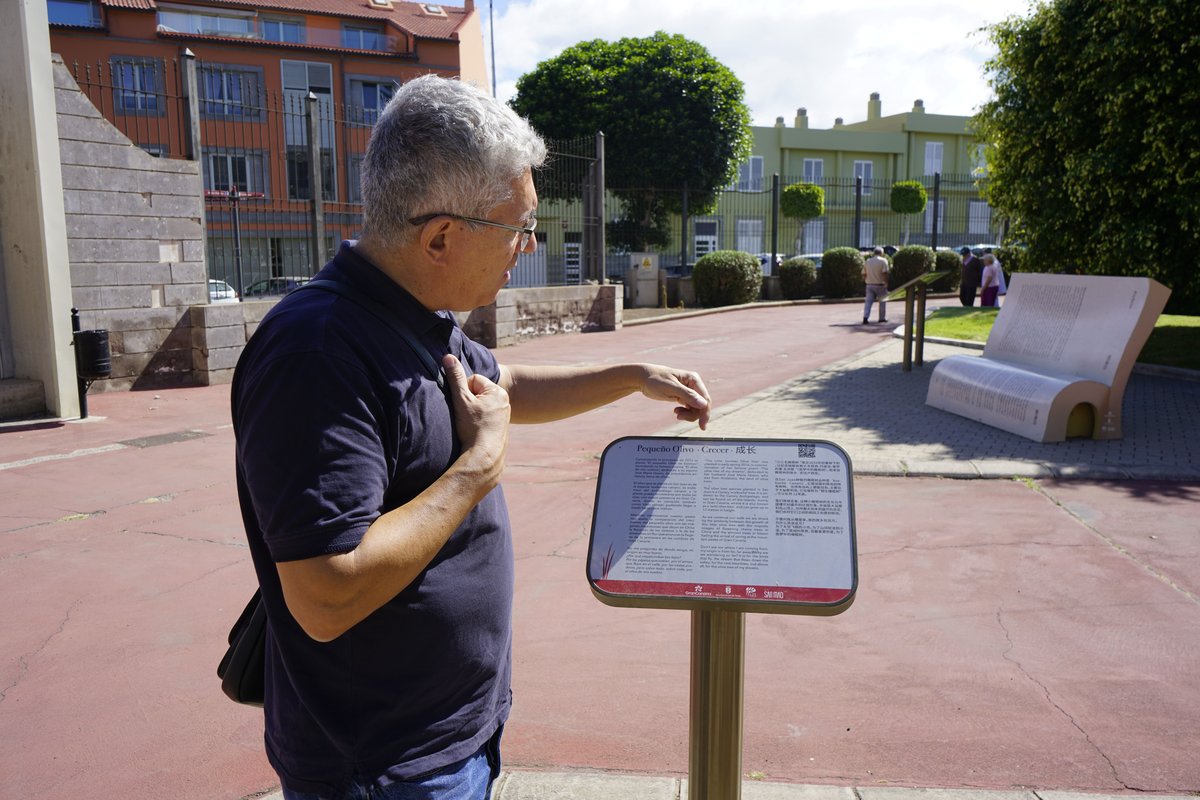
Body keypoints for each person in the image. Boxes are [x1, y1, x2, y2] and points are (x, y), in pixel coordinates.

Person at [231, 75, 711, 800]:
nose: (528, 244)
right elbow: (324, 595)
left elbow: (499, 387)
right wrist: (478, 468)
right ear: (441, 236)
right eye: (518, 226)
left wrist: (630, 374)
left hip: (448, 736)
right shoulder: (318, 353)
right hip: (383, 767)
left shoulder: (418, 313)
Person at [861, 246, 890, 324]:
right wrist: (886, 283)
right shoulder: (883, 261)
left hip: (869, 284)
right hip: (880, 284)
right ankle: (881, 318)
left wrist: (866, 280)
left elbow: (863, 273)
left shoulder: (868, 261)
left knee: (868, 302)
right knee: (882, 302)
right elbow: (885, 273)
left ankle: (865, 317)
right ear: (882, 253)